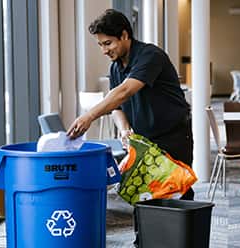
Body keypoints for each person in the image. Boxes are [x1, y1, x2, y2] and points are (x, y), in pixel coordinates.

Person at [67, 9, 194, 246]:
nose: (105, 50)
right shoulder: (116, 67)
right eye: (100, 45)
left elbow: (125, 91)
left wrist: (89, 116)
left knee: (176, 195)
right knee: (143, 197)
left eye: (108, 43)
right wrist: (125, 129)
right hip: (143, 142)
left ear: (124, 35)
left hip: (173, 137)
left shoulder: (150, 56)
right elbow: (118, 105)